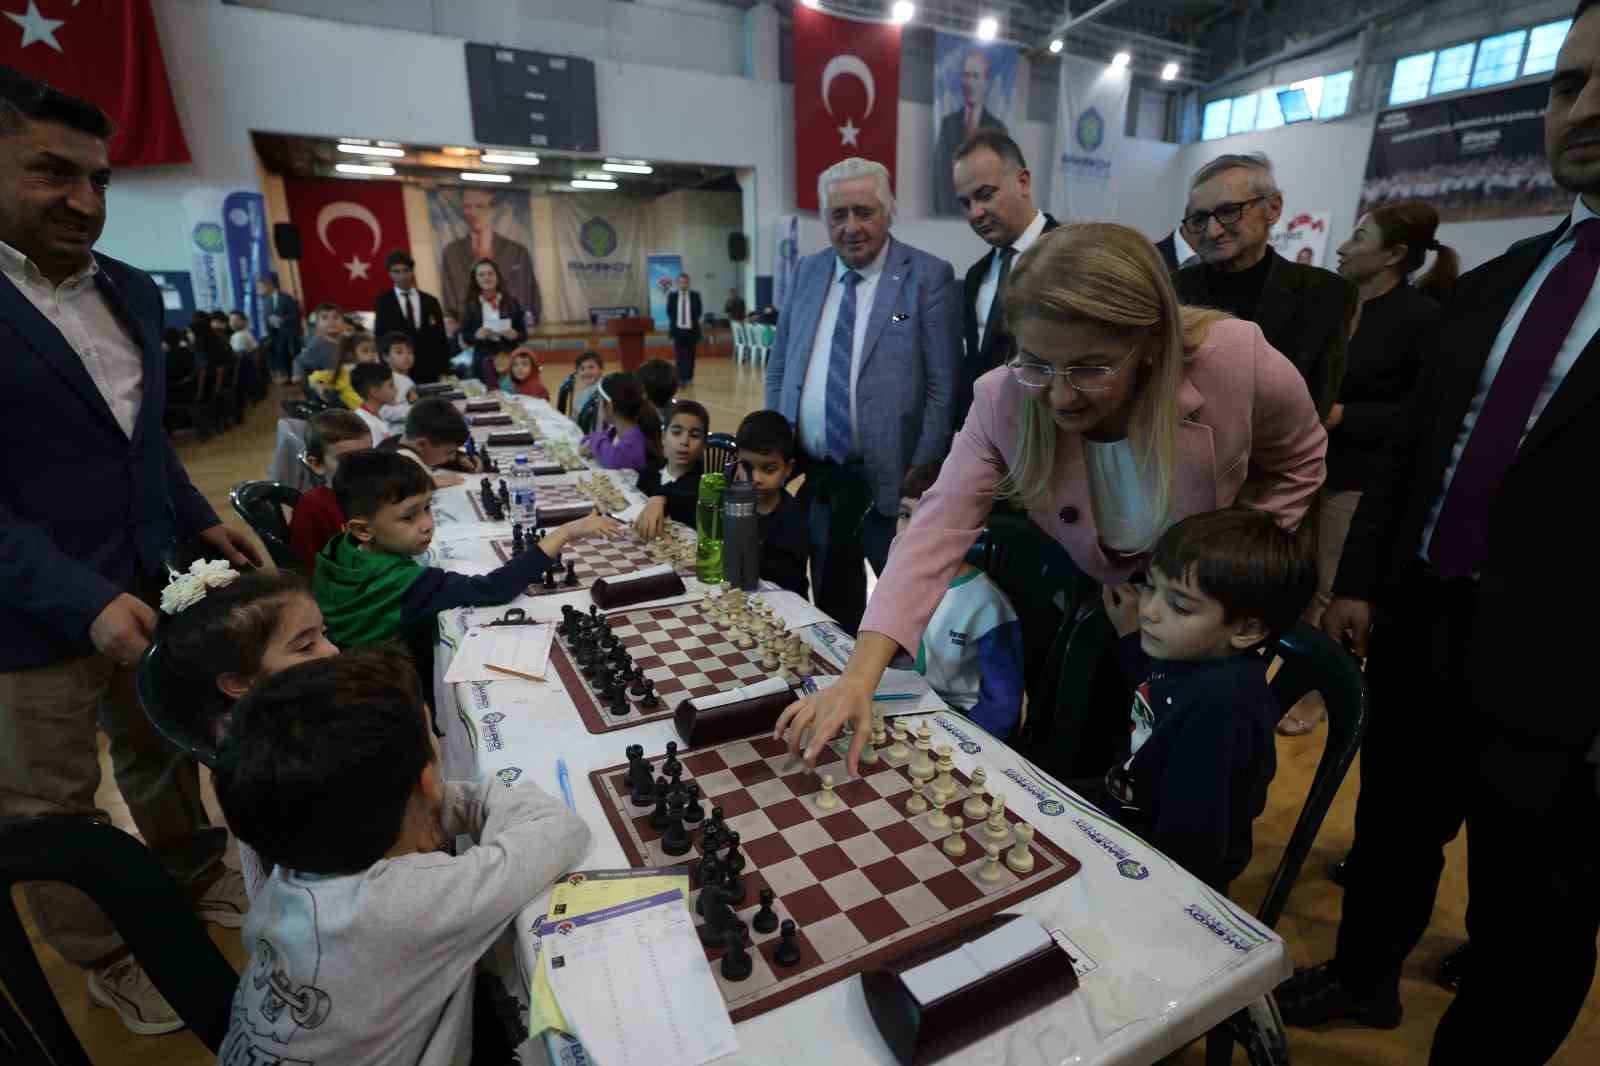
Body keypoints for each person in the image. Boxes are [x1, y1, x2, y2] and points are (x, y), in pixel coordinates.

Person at [1275, 10, 1600, 1059]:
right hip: (1426, 620)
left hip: (1566, 673)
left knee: (1533, 903)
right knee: (1392, 829)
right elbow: (1416, 451)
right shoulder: (1508, 279)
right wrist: (1361, 577)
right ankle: (1366, 975)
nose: (1580, 109)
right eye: (1564, 86)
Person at [772, 222, 1326, 773]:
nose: (1058, 395)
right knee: (1092, 747)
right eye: (1036, 363)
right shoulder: (1001, 399)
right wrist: (859, 677)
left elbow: (1301, 458)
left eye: (1090, 368)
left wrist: (1221, 575)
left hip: (1203, 618)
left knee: (1186, 769)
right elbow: (936, 529)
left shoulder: (1236, 361)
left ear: (1151, 343)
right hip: (1102, 594)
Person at [0, 65, 262, 1036]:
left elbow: (143, 441)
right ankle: (106, 955)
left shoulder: (133, 292)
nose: (84, 199)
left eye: (99, 178)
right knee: (54, 803)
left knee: (158, 745)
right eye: (50, 172)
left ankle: (190, 867)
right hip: (26, 619)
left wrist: (198, 514)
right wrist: (79, 597)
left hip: (149, 580)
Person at [214, 649, 589, 1066]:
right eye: (434, 735)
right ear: (427, 779)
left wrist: (425, 805)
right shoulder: (405, 905)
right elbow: (556, 829)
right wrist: (445, 801)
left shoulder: (290, 862)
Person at [1277, 202, 1453, 737]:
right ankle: (1289, 675)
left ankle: (1312, 694)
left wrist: (1343, 414)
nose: (1345, 245)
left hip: (1358, 478)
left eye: (1359, 236)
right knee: (1293, 580)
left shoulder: (1421, 320)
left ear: (1394, 254)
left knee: (1328, 589)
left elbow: (1421, 413)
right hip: (1306, 466)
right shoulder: (1335, 304)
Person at [764, 157, 961, 633]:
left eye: (864, 212)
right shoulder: (807, 272)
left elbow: (942, 385)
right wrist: (774, 445)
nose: (851, 227)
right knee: (831, 603)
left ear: (888, 211)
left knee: (904, 614)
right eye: (838, 214)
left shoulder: (927, 277)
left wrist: (920, 475)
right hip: (816, 479)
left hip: (889, 484)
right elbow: (780, 365)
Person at [1092, 507, 1315, 890]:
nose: (1149, 610)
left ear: (1246, 630)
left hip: (1160, 873)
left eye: (1178, 605)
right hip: (1128, 815)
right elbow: (1155, 695)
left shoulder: (1223, 708)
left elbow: (1192, 847)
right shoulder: (1189, 655)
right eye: (1150, 585)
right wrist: (1132, 640)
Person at [154, 564, 339, 901]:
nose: (332, 651)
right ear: (239, 683)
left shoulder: (297, 700)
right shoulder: (269, 760)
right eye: (305, 647)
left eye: (324, 633)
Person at [313, 450, 621, 647]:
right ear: (363, 529)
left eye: (427, 508)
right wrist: (565, 532)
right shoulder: (409, 586)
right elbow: (494, 589)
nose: (426, 525)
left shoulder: (337, 550)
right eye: (409, 516)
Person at [1174, 153, 1357, 418]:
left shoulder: (1327, 295)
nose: (1212, 231)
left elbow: (1315, 409)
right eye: (1200, 218)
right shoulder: (1172, 289)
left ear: (1272, 208)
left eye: (1228, 212)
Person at [895, 462, 1023, 739]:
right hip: (906, 705)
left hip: (958, 720)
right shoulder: (898, 579)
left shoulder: (987, 605)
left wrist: (957, 741)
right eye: (905, 515)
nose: (911, 531)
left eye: (929, 518)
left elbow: (1001, 709)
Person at [951, 129, 1059, 425]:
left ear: (1023, 182)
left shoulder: (1074, 255)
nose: (975, 213)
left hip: (1051, 435)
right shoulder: (976, 275)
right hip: (984, 438)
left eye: (985, 195)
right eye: (965, 203)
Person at [439, 187, 541, 326]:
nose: (473, 213)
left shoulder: (518, 252)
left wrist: (519, 332)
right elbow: (449, 302)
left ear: (493, 210)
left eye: (480, 206)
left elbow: (531, 297)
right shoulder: (450, 253)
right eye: (467, 207)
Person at [735, 410, 809, 598]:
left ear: (787, 469)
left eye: (769, 469)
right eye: (748, 468)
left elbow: (788, 583)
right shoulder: (733, 503)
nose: (757, 479)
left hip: (785, 607)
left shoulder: (793, 518)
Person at [289, 409, 371, 573]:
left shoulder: (377, 491)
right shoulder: (311, 507)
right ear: (316, 464)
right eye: (346, 459)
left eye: (368, 455)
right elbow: (307, 569)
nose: (362, 465)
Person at [934, 50, 1008, 215]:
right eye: (966, 75)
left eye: (975, 76)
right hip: (949, 212)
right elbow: (941, 173)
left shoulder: (998, 128)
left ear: (986, 82)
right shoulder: (948, 124)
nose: (969, 82)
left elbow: (1000, 177)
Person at [372, 250, 452, 385]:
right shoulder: (383, 301)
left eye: (405, 270)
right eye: (396, 271)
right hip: (398, 370)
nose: (402, 275)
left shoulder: (430, 301)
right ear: (389, 274)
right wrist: (384, 369)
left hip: (430, 368)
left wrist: (444, 371)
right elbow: (380, 336)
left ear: (412, 271)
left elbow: (440, 338)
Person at [634, 399, 709, 538]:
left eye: (694, 436)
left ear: (704, 445)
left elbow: (685, 494)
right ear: (663, 438)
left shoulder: (703, 486)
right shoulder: (650, 472)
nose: (684, 442)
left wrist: (660, 498)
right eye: (676, 433)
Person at [380, 395, 479, 488]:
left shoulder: (402, 441)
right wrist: (430, 483)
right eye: (449, 452)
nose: (452, 457)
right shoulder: (395, 466)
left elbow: (432, 453)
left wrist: (459, 459)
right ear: (421, 444)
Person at [582, 371, 663, 478]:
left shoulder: (634, 439)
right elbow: (600, 437)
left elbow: (612, 459)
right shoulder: (618, 430)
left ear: (610, 407)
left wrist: (594, 443)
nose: (599, 406)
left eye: (600, 401)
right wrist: (591, 442)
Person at [460, 257, 527, 375]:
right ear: (475, 279)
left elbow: (523, 335)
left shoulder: (512, 303)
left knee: (510, 392)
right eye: (481, 275)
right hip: (483, 362)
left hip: (510, 361)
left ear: (497, 276)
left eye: (490, 273)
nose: (486, 278)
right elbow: (466, 337)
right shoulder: (469, 305)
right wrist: (476, 335)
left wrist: (515, 334)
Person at [308, 329, 377, 410]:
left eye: (373, 351)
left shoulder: (374, 371)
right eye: (365, 351)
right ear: (352, 354)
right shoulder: (345, 371)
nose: (371, 355)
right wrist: (320, 388)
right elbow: (315, 377)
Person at [256, 270, 301, 383]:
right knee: (282, 356)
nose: (259, 290)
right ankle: (287, 376)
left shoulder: (286, 298)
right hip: (275, 335)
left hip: (290, 334)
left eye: (261, 287)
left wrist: (282, 319)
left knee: (293, 356)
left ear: (269, 285)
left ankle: (297, 376)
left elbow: (296, 314)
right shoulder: (266, 301)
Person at [291, 301, 345, 384]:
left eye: (335, 317)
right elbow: (299, 361)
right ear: (317, 324)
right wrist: (298, 375)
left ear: (343, 322)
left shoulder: (346, 341)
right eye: (324, 318)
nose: (331, 321)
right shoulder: (317, 345)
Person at [667, 272, 703, 386]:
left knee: (691, 355)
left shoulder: (695, 295)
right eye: (681, 282)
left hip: (691, 330)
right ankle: (680, 378)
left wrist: (690, 321)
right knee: (679, 356)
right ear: (677, 284)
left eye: (685, 282)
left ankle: (689, 377)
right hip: (678, 330)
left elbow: (699, 312)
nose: (683, 284)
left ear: (688, 283)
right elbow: (669, 312)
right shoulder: (672, 296)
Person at [349, 361, 394, 445]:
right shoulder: (365, 423)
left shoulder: (377, 416)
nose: (395, 390)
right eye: (391, 386)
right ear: (375, 392)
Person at [379, 331, 417, 424]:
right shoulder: (387, 381)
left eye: (410, 352)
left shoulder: (407, 379)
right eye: (399, 352)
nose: (406, 356)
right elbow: (383, 410)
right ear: (386, 357)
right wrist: (415, 411)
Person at [563, 349, 605, 431]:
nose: (587, 372)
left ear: (600, 370)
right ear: (577, 372)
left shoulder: (603, 392)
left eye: (591, 367)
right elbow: (576, 418)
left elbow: (598, 425)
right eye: (582, 369)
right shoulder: (582, 394)